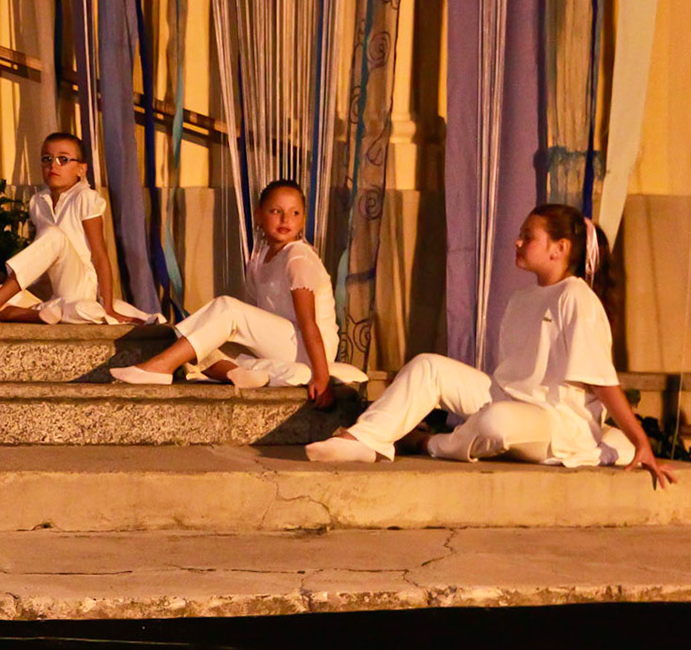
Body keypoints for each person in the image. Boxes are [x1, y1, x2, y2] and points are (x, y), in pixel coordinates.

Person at [306, 204, 677, 487]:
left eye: (528, 236)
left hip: (555, 422)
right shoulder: (521, 299)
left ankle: (428, 445)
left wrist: (640, 441)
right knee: (428, 366)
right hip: (507, 398)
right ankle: (364, 440)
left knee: (496, 421)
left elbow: (601, 381)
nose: (517, 242)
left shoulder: (576, 298)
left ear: (558, 248)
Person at [109, 179, 364, 400]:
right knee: (197, 334)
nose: (286, 220)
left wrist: (321, 377)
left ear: (303, 218)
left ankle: (161, 367)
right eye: (276, 211)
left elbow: (309, 323)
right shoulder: (259, 258)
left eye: (295, 213)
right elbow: (252, 321)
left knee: (226, 309)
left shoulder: (298, 258)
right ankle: (235, 373)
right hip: (281, 342)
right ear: (258, 215)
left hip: (309, 346)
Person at [0, 132, 158, 326]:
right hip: (49, 295)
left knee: (84, 301)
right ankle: (37, 313)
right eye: (46, 159)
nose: (53, 166)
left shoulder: (85, 197)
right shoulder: (38, 201)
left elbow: (100, 255)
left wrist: (109, 307)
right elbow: (41, 259)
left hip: (78, 288)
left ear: (81, 169)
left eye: (63, 159)